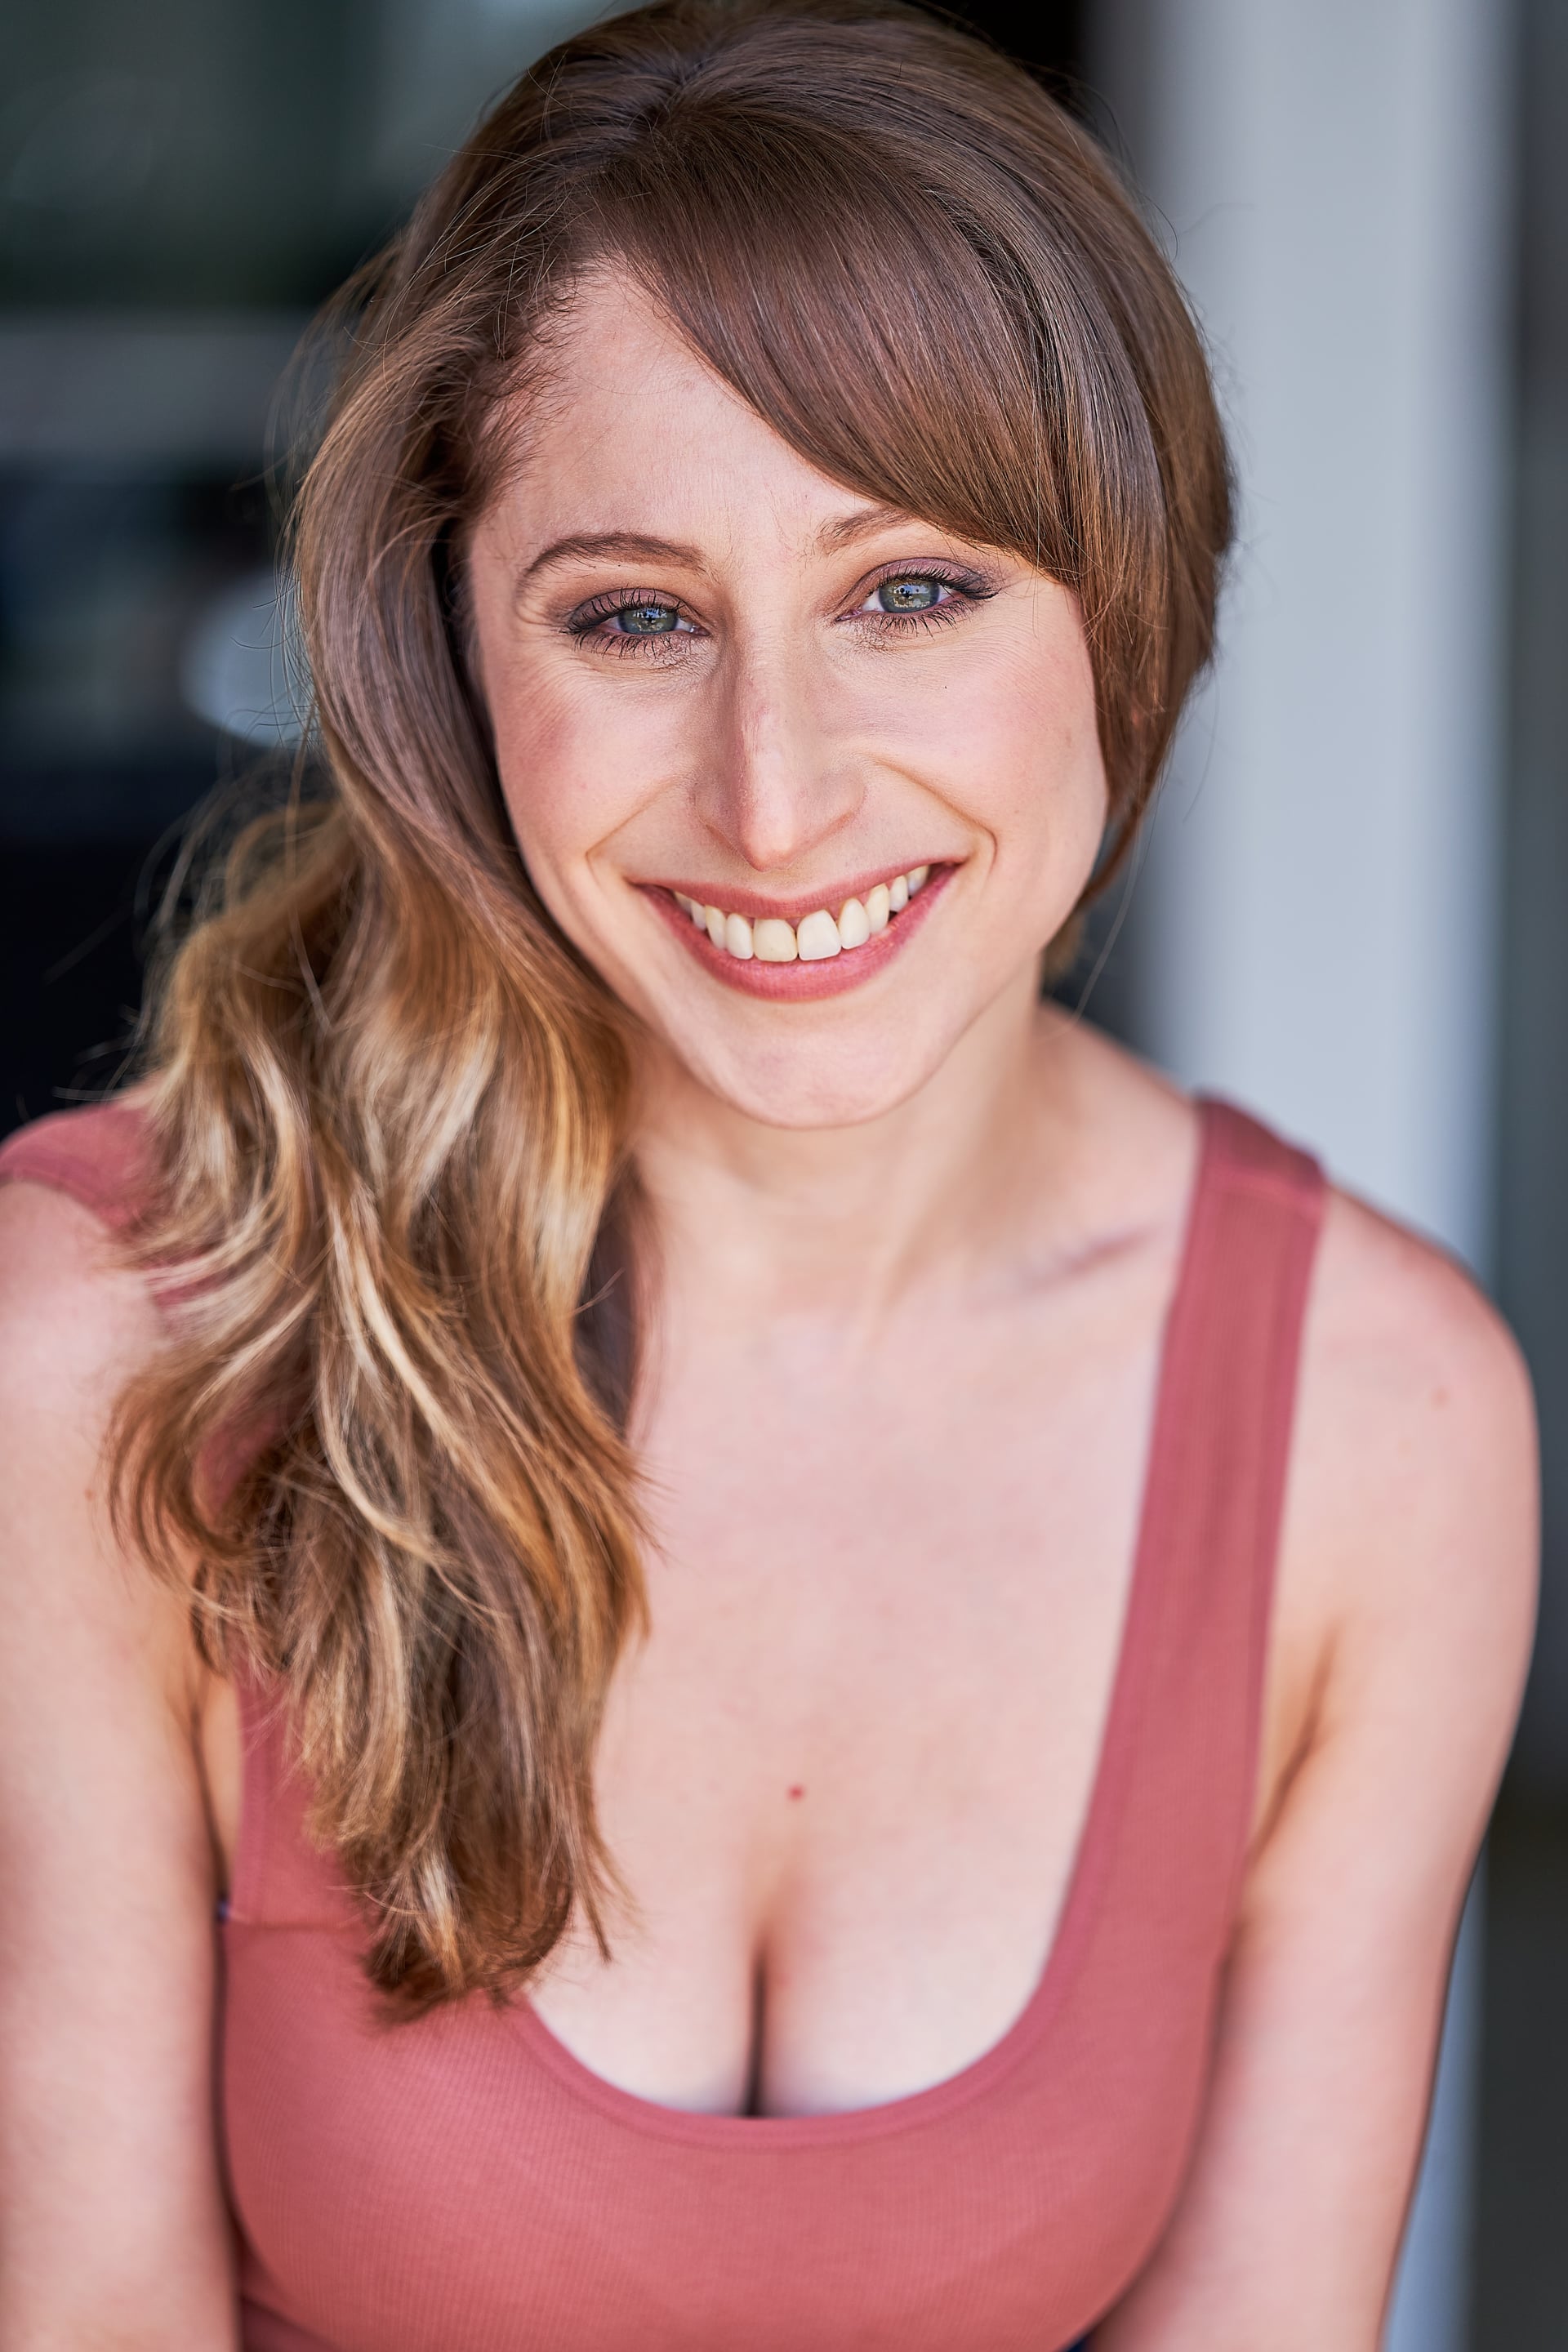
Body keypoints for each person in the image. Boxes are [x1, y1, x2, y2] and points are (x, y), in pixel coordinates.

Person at [0, 3, 1537, 2346]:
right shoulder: (114, 1346)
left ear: (1121, 603)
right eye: (634, 616)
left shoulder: (1378, 1422)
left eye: (910, 592)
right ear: (450, 650)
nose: (778, 799)